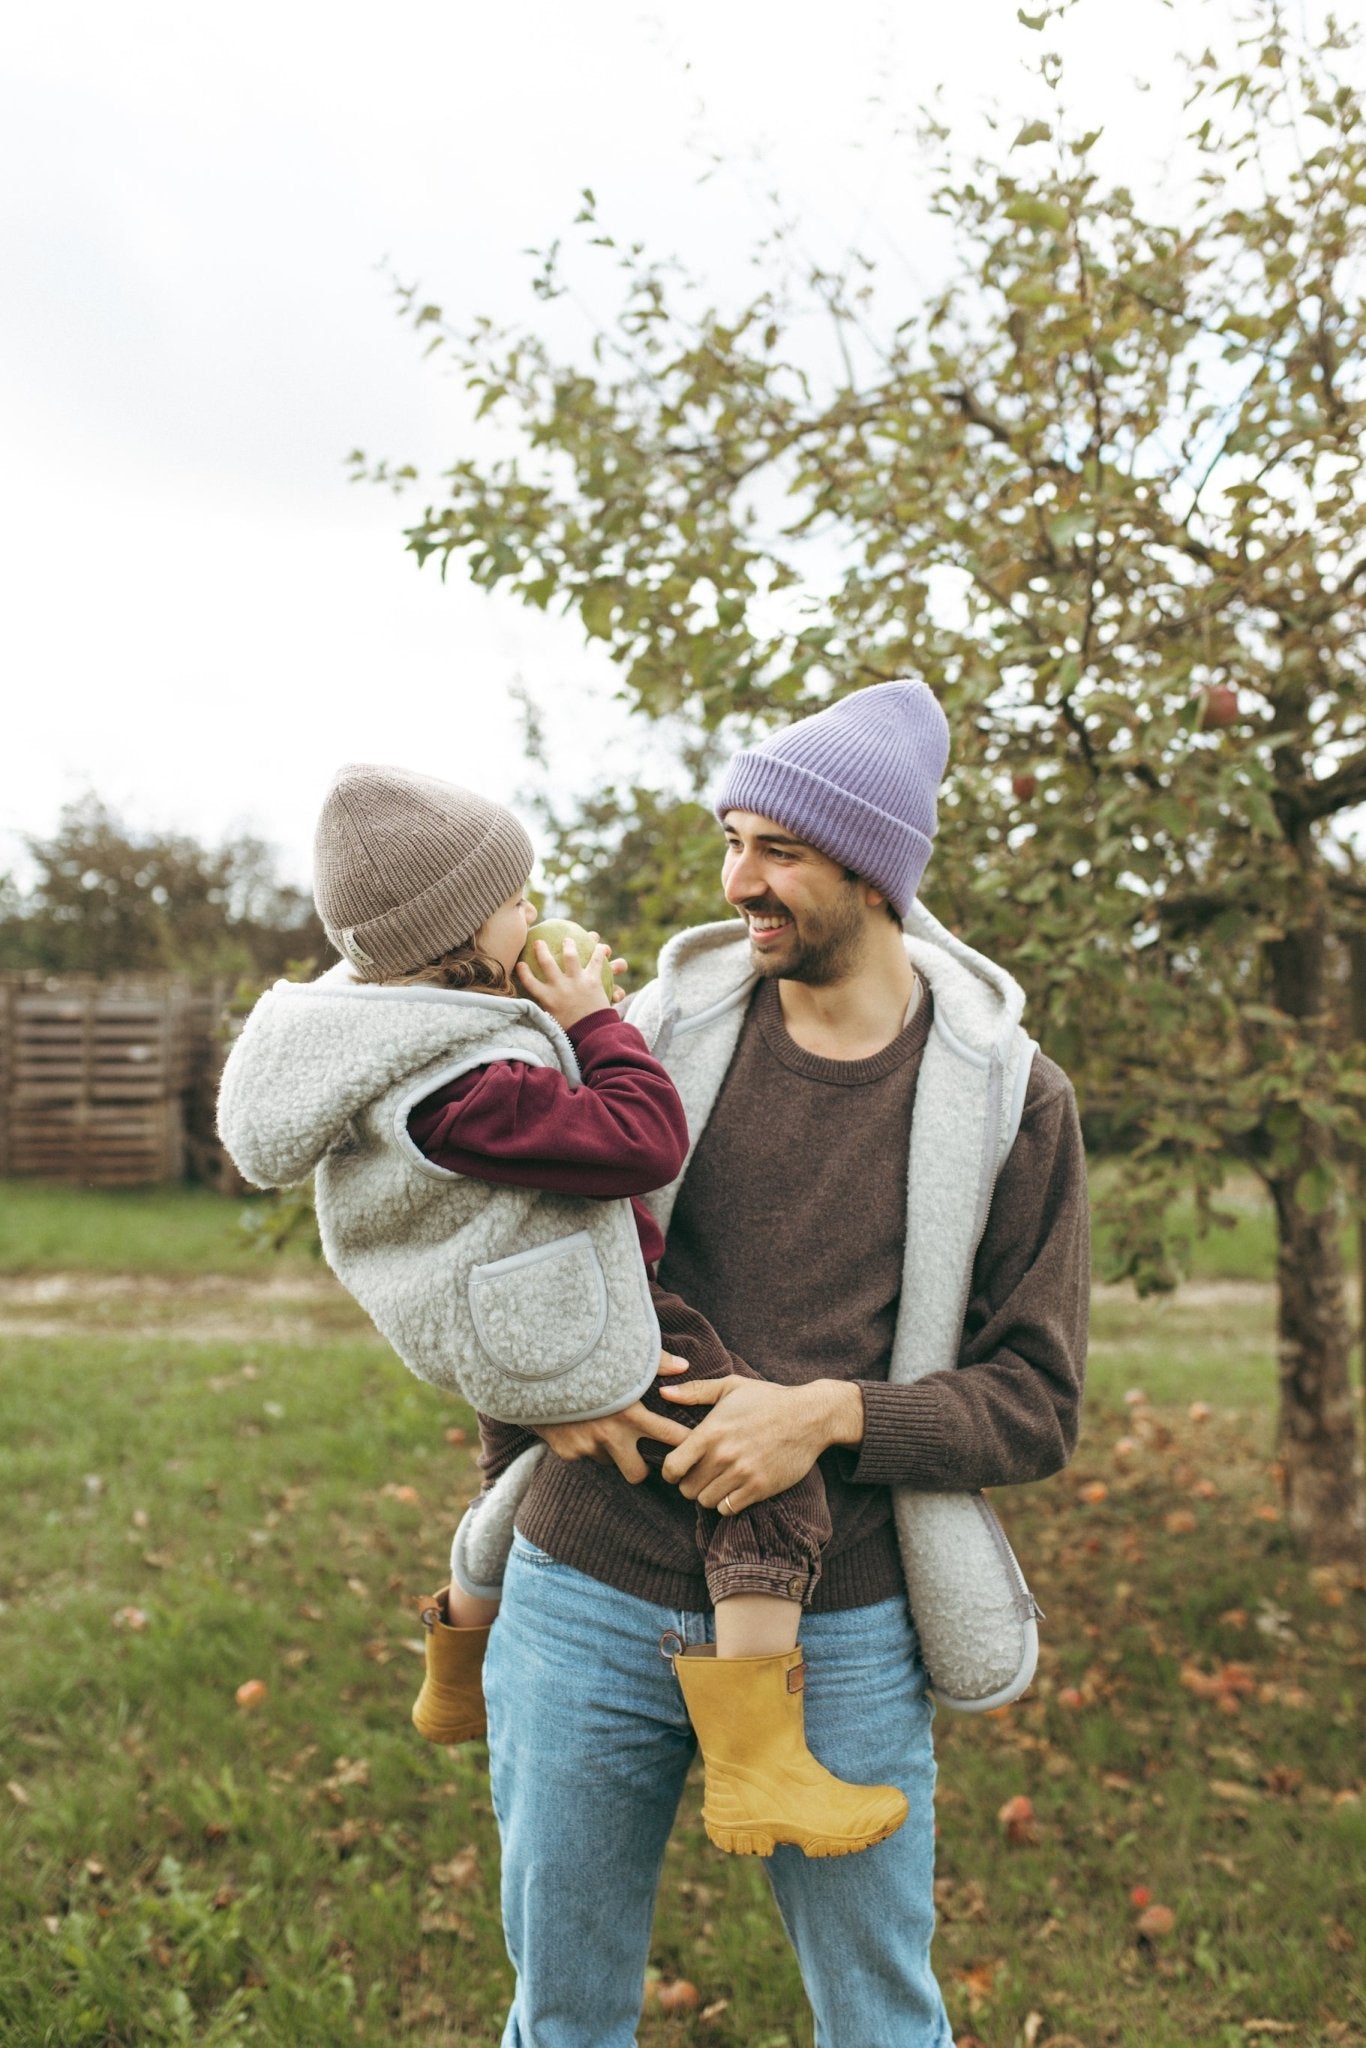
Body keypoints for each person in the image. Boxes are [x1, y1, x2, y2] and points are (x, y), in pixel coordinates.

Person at [475, 680, 1090, 2047]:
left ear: (871, 875)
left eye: (775, 850)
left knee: (880, 2018)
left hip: (846, 1628)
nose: (734, 880)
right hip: (586, 1588)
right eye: (732, 840)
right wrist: (546, 1395)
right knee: (561, 2015)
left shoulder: (1008, 1098)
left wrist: (826, 1417)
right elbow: (513, 1247)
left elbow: (1037, 1401)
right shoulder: (653, 1037)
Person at [215, 763, 907, 1864]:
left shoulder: (398, 1036)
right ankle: (758, 1761)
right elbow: (638, 1136)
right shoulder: (466, 1082)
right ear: (461, 933)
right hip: (563, 1311)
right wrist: (592, 1020)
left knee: (515, 1480)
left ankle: (458, 1661)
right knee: (755, 1464)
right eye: (516, 897)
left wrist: (563, 1018)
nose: (533, 909)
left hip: (494, 1316)